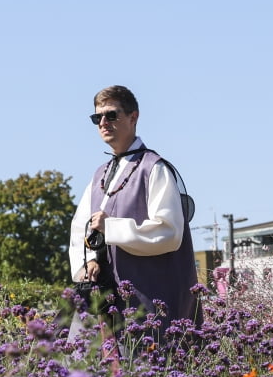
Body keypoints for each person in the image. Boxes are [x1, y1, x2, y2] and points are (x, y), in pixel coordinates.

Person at [68, 85, 200, 345]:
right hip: (107, 302)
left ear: (133, 117)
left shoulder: (155, 168)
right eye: (98, 118)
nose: (103, 122)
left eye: (111, 115)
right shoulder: (99, 176)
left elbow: (169, 232)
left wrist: (113, 228)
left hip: (151, 300)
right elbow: (79, 229)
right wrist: (90, 262)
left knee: (156, 374)